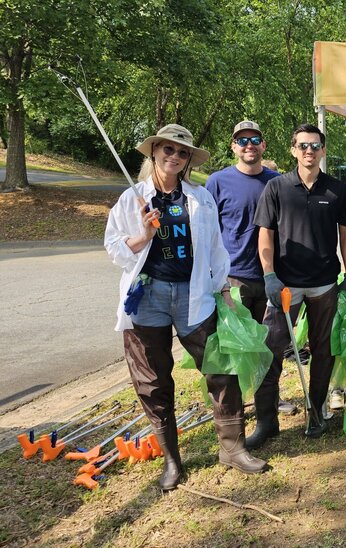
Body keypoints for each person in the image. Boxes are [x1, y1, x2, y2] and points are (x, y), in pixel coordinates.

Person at [105, 124, 267, 491]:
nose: (174, 157)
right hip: (148, 299)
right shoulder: (134, 198)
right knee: (152, 379)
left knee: (220, 369)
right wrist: (144, 236)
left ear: (188, 160)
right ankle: (172, 461)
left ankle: (233, 448)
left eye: (182, 153)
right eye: (168, 150)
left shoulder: (199, 198)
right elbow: (114, 248)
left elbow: (214, 249)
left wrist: (223, 288)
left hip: (193, 297)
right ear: (154, 153)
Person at [250, 124, 346, 445]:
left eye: (315, 146)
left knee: (323, 350)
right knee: (270, 350)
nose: (309, 151)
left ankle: (316, 410)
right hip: (285, 285)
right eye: (303, 146)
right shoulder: (276, 188)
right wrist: (269, 273)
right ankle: (266, 422)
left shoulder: (336, 189)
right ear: (293, 150)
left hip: (324, 284)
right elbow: (265, 233)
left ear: (323, 150)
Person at [206, 120, 279, 324]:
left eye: (255, 139)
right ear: (234, 146)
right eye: (242, 140)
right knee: (236, 346)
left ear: (263, 145)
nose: (249, 144)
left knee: (267, 344)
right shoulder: (217, 182)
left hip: (270, 275)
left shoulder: (277, 182)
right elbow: (207, 232)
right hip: (233, 277)